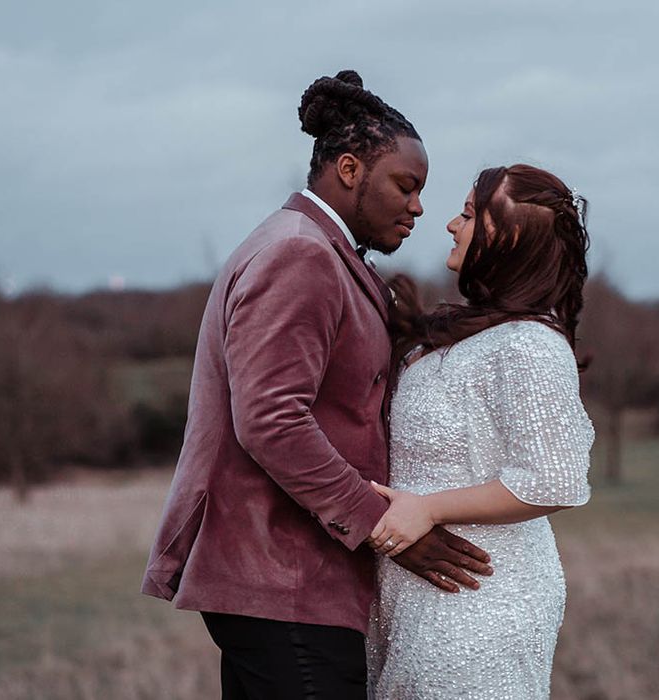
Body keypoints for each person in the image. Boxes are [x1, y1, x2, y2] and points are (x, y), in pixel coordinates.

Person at [140, 70, 492, 700]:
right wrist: (381, 524)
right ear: (350, 170)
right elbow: (272, 421)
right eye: (406, 186)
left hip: (289, 584)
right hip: (282, 579)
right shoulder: (299, 253)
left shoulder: (317, 249)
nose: (418, 208)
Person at [365, 164, 595, 699]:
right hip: (413, 601)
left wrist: (430, 509)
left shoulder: (530, 346)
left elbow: (554, 480)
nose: (449, 224)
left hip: (481, 605)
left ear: (508, 238)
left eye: (469, 214)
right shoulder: (470, 333)